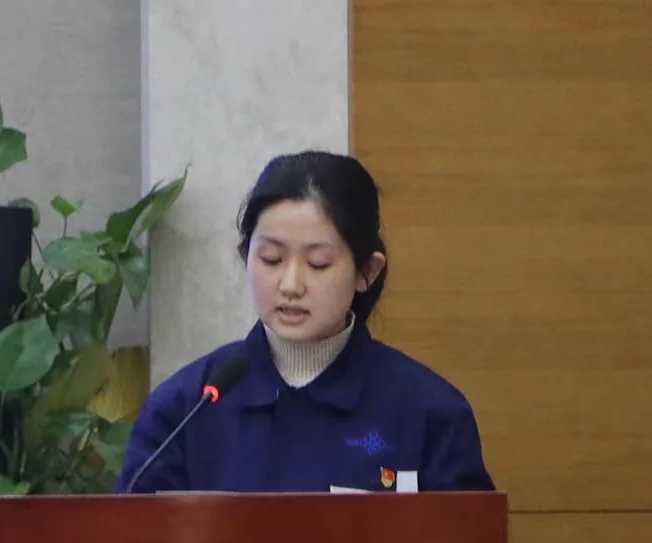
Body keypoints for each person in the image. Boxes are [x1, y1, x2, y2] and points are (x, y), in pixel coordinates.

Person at [116, 151, 494, 494]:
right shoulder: (183, 411)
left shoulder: (429, 413)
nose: (291, 285)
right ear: (245, 256)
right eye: (271, 259)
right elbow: (133, 542)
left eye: (318, 264)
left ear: (367, 271)